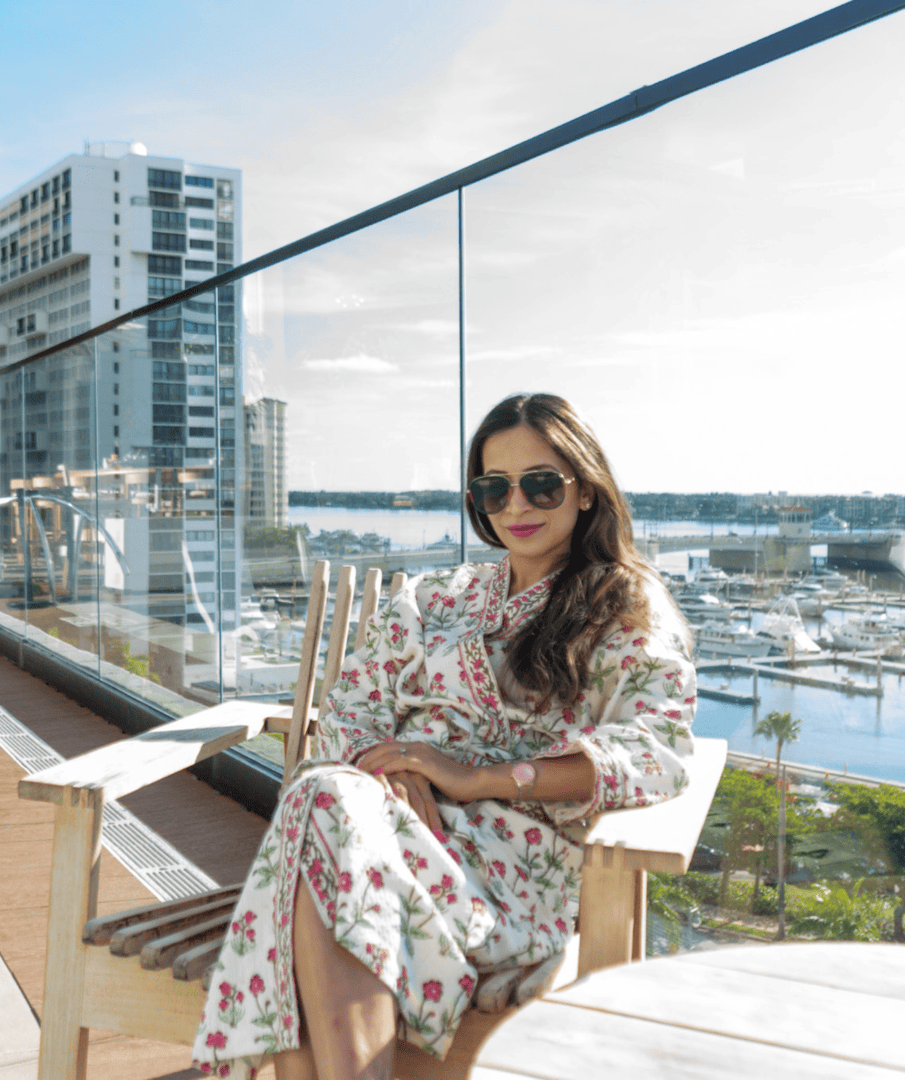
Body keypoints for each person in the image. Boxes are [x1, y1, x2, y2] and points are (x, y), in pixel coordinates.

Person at [192, 393, 696, 1079]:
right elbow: (349, 712)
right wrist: (397, 773)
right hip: (375, 824)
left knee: (317, 833)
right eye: (494, 488)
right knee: (327, 808)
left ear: (585, 490)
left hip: (506, 866)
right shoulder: (435, 597)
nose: (516, 505)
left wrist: (477, 776)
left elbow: (656, 750)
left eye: (541, 483)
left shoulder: (624, 606)